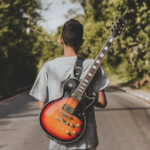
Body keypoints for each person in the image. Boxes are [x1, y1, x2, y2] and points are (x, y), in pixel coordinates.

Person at [30, 19, 110, 150]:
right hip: (86, 140)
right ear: (82, 42)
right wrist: (84, 99)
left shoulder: (48, 67)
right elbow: (102, 102)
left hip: (59, 139)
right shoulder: (93, 65)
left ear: (61, 39)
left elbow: (41, 105)